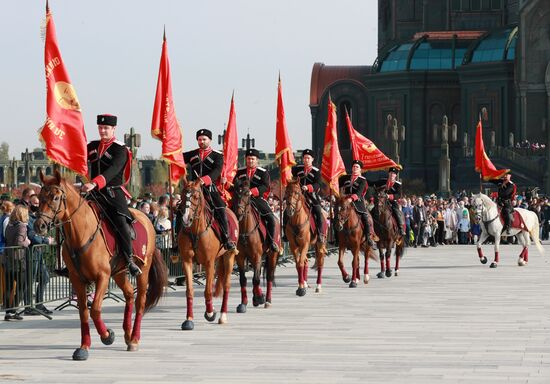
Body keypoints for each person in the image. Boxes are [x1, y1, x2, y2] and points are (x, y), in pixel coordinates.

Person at [80, 114, 142, 277]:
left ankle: (129, 260)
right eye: (100, 128)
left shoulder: (120, 149)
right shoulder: (92, 146)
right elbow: (78, 158)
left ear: (113, 129)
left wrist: (94, 182)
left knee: (121, 222)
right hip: (93, 194)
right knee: (74, 217)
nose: (103, 131)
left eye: (106, 128)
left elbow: (113, 169)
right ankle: (72, 261)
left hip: (112, 193)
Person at [181, 129, 236, 251]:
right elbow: (178, 159)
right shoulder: (192, 154)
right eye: (199, 139)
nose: (202, 141)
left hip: (209, 189)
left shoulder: (217, 156)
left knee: (221, 208)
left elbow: (216, 172)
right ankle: (177, 242)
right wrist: (171, 153)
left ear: (209, 140)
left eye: (204, 139)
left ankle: (226, 238)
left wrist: (204, 180)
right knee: (182, 209)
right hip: (193, 190)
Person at [233, 148, 279, 252]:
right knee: (229, 215)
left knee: (271, 218)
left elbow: (265, 186)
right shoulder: (240, 172)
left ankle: (271, 242)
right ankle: (229, 241)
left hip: (257, 199)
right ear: (246, 159)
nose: (250, 161)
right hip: (242, 201)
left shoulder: (263, 172)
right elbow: (234, 184)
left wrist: (252, 192)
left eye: (253, 159)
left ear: (257, 160)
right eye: (248, 159)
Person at [289, 149, 327, 251]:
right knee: (286, 212)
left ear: (312, 159)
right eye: (304, 158)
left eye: (308, 158)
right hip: (297, 196)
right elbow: (290, 175)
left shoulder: (316, 171)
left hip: (310, 196)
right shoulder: (297, 169)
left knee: (318, 212)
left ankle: (320, 234)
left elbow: (318, 184)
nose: (306, 160)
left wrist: (309, 187)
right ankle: (286, 234)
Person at [26, 194, 54, 315]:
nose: (36, 206)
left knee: (45, 277)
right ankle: (28, 307)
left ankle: (39, 304)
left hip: (38, 253)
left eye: (38, 203)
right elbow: (33, 237)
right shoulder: (27, 218)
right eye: (35, 203)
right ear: (29, 204)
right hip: (31, 253)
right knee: (30, 280)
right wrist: (46, 240)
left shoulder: (37, 217)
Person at [338, 160, 374, 247]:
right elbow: (337, 184)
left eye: (357, 167)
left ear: (360, 169)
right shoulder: (345, 178)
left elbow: (359, 192)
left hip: (357, 202)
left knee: (366, 217)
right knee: (337, 216)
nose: (355, 168)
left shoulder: (363, 180)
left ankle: (368, 237)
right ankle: (336, 238)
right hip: (345, 201)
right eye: (354, 167)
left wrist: (351, 199)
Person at [3, 205, 31, 321]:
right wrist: (27, 242)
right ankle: (12, 311)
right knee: (21, 286)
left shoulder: (9, 226)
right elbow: (19, 242)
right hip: (18, 260)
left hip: (8, 258)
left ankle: (9, 312)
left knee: (9, 287)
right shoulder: (22, 226)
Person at [370, 167, 406, 236]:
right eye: (391, 173)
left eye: (394, 174)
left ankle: (400, 228)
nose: (392, 174)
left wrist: (389, 196)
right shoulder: (383, 181)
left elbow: (398, 195)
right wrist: (365, 180)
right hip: (381, 201)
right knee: (372, 210)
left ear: (395, 175)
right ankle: (371, 229)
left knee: (397, 212)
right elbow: (373, 183)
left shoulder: (398, 184)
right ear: (389, 173)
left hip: (392, 202)